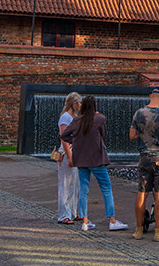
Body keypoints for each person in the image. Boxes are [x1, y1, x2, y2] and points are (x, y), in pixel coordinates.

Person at [60, 95, 128, 232]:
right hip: (97, 159)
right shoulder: (100, 119)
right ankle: (112, 221)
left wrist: (77, 142)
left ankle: (85, 221)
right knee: (106, 189)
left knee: (83, 191)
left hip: (82, 161)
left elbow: (64, 136)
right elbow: (104, 135)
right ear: (95, 105)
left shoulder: (77, 120)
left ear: (83, 105)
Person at [129, 87, 159, 242]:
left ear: (150, 96)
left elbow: (132, 135)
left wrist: (145, 136)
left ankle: (138, 230)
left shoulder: (139, 113)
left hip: (144, 158)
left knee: (142, 193)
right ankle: (158, 232)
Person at [57, 91, 82, 224]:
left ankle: (73, 212)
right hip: (67, 153)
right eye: (79, 103)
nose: (81, 105)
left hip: (75, 152)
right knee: (65, 185)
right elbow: (64, 138)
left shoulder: (74, 117)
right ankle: (63, 215)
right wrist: (70, 156)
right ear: (74, 104)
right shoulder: (65, 117)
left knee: (75, 185)